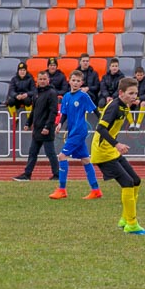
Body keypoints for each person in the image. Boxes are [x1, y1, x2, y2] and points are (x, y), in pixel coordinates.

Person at [90, 77, 145, 235]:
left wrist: (132, 102)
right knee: (127, 182)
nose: (134, 96)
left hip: (110, 150)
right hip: (103, 151)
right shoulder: (115, 107)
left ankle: (125, 219)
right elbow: (100, 129)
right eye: (130, 93)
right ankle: (131, 224)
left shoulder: (124, 105)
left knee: (136, 181)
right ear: (121, 93)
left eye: (136, 94)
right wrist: (117, 144)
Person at [49, 70, 102, 200]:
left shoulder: (83, 96)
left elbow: (95, 110)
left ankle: (62, 189)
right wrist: (60, 124)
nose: (76, 83)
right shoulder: (66, 96)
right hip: (72, 131)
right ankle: (96, 190)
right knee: (85, 160)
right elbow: (65, 114)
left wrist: (103, 123)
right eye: (74, 80)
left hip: (79, 131)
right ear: (69, 81)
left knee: (62, 157)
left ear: (82, 83)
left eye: (78, 81)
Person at [12, 71, 59, 182]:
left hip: (46, 129)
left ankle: (57, 174)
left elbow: (53, 112)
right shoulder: (36, 93)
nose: (42, 81)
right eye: (40, 79)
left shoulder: (52, 93)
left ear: (48, 80)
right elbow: (34, 111)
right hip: (37, 129)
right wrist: (28, 123)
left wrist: (47, 127)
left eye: (44, 79)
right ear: (37, 80)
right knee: (32, 153)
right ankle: (27, 174)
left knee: (50, 153)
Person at [128, 66, 145, 131]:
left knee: (143, 103)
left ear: (144, 74)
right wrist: (134, 99)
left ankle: (138, 124)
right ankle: (131, 123)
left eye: (141, 75)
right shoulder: (132, 82)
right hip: (134, 99)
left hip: (144, 100)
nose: (139, 77)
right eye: (138, 75)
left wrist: (139, 99)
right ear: (135, 75)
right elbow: (129, 92)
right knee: (126, 104)